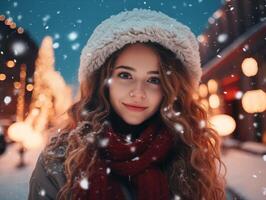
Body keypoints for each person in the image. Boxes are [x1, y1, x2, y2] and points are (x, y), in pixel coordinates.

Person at [28, 8, 226, 200]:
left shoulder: (191, 158)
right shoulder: (60, 162)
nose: (138, 92)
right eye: (125, 75)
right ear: (104, 82)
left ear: (171, 88)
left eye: (154, 79)